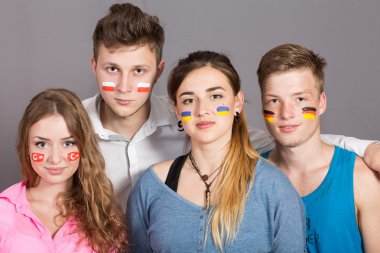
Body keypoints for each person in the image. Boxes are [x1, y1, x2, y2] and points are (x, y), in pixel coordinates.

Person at [82, 2, 380, 211]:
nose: (124, 86)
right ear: (94, 66)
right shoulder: (70, 125)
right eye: (112, 69)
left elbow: (288, 138)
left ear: (158, 71)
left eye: (138, 71)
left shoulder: (194, 119)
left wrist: (363, 147)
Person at [127, 51, 306, 252]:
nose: (202, 109)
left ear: (237, 103)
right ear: (176, 110)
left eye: (215, 96)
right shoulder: (151, 186)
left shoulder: (274, 188)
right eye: (188, 100)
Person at [257, 43, 380, 252]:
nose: (286, 113)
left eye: (300, 99)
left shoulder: (361, 178)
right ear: (263, 105)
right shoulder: (248, 176)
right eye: (274, 100)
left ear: (321, 102)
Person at [0, 89, 127, 252]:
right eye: (42, 144)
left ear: (83, 147)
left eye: (68, 143)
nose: (55, 158)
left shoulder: (102, 214)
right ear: (27, 147)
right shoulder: (3, 211)